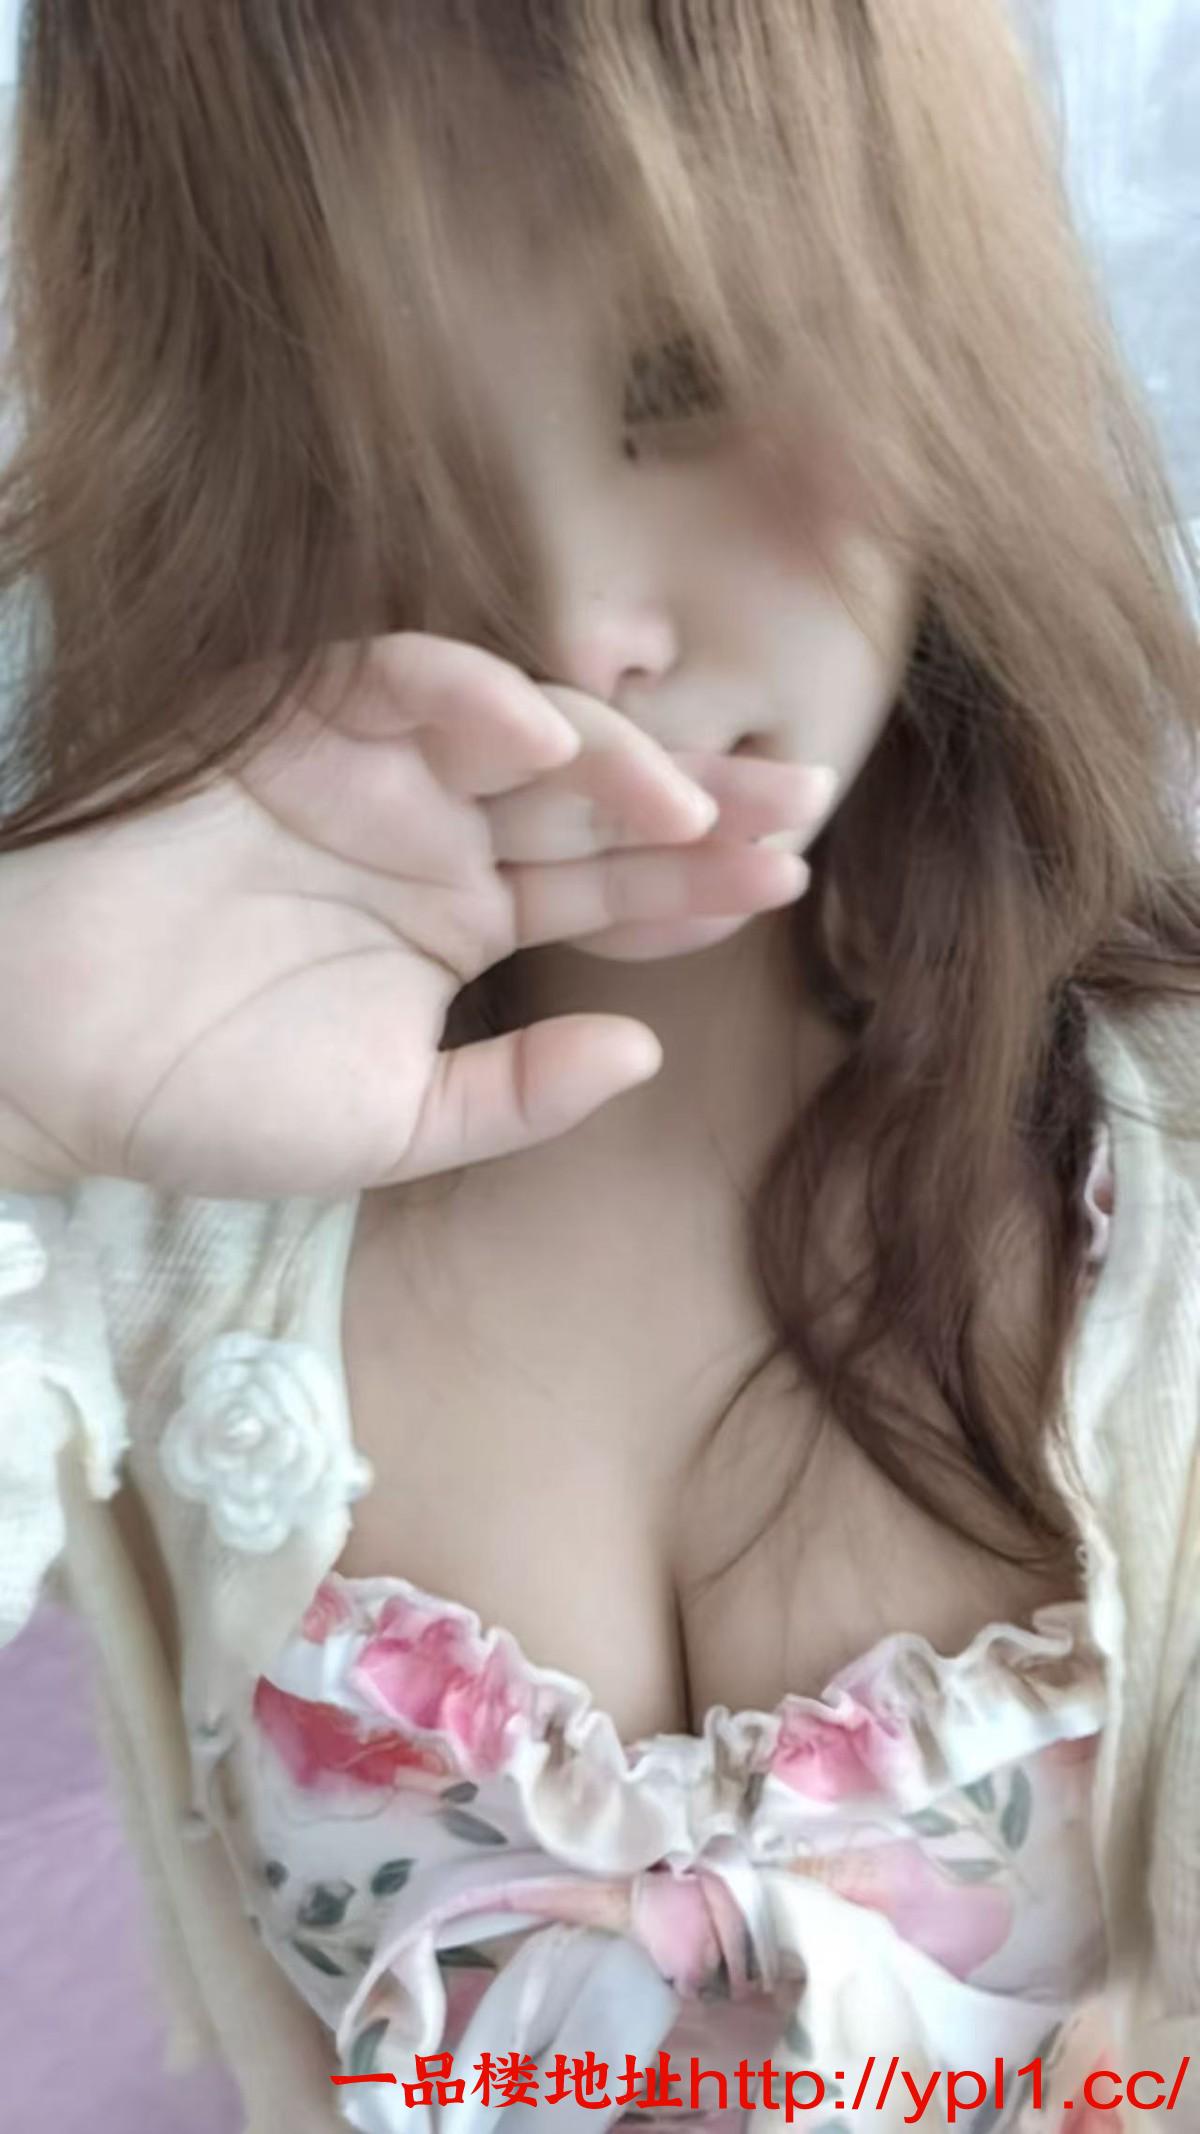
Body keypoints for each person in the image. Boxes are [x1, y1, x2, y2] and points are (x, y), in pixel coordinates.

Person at [0, 5, 1198, 2131]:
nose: (574, 624)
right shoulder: (149, 1196)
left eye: (685, 373)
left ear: (940, 313)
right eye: (375, 457)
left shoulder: (1156, 1177)